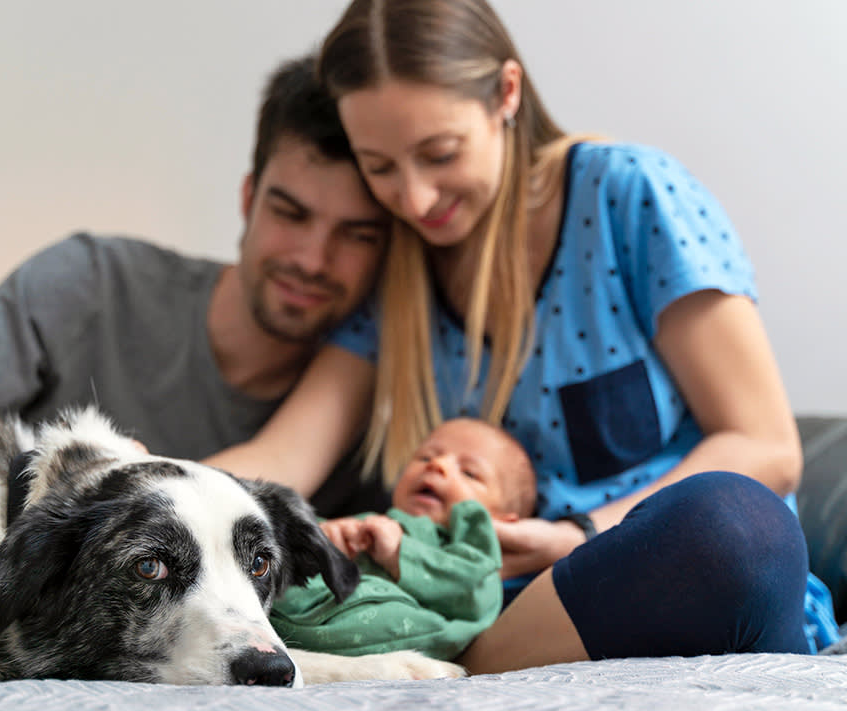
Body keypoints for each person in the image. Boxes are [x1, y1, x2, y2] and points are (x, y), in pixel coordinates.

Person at [207, 0, 840, 671]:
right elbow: (283, 455)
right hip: (494, 607)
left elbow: (766, 447)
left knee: (733, 527)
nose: (415, 200)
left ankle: (461, 674)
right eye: (380, 166)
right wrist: (141, 478)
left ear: (506, 92)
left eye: (440, 153)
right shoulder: (400, 273)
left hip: (671, 566)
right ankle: (457, 668)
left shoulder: (626, 195)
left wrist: (579, 535)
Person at [0, 55, 391, 517]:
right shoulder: (86, 282)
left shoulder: (388, 404)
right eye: (290, 213)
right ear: (248, 198)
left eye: (357, 234)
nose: (313, 259)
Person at [271, 416, 535, 660]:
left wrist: (400, 553)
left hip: (381, 627)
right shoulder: (375, 522)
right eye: (425, 457)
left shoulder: (474, 559)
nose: (437, 465)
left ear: (502, 521)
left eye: (469, 473)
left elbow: (475, 596)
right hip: (312, 606)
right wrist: (330, 536)